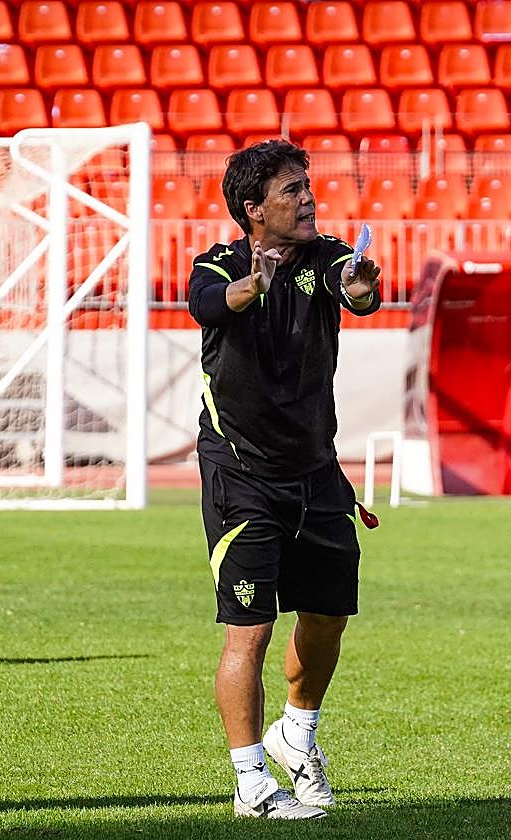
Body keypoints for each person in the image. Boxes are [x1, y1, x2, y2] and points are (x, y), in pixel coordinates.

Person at [187, 139, 383, 820]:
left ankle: (297, 737)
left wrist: (363, 287)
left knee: (329, 617)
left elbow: (354, 292)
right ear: (253, 209)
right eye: (292, 190)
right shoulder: (219, 263)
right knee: (250, 631)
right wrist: (252, 288)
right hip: (241, 473)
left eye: (308, 186)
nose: (308, 198)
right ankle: (251, 786)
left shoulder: (327, 257)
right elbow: (209, 304)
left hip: (316, 470)